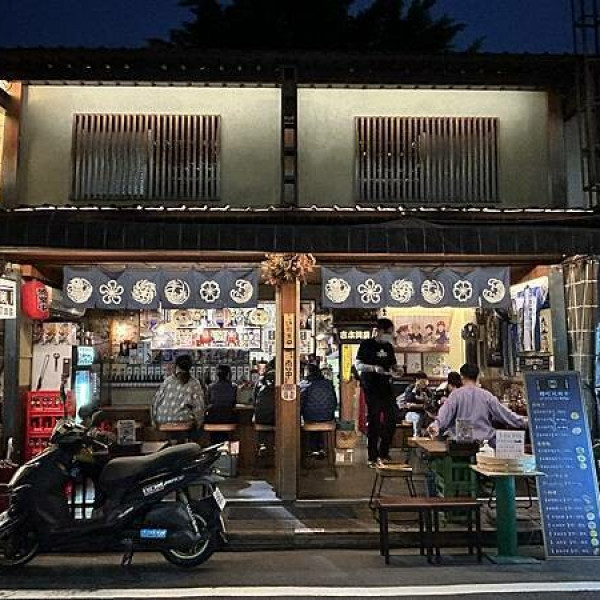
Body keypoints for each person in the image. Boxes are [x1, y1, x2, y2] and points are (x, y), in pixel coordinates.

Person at [427, 363, 526, 446]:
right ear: (477, 377)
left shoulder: (455, 395)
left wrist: (436, 425)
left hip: (462, 443)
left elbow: (444, 415)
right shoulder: (487, 395)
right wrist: (524, 422)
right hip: (485, 443)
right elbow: (505, 414)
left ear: (462, 376)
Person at [355, 318, 399, 468]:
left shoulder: (388, 347)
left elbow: (393, 365)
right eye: (388, 332)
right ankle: (372, 456)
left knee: (392, 418)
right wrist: (373, 368)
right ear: (379, 331)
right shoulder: (366, 345)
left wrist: (397, 370)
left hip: (386, 387)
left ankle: (384, 452)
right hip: (371, 387)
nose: (390, 335)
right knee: (374, 421)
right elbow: (358, 365)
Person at [152, 354, 205, 433]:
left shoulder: (167, 381)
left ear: (176, 366)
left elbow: (155, 402)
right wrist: (199, 424)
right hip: (182, 420)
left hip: (162, 420)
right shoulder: (194, 383)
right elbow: (199, 407)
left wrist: (154, 422)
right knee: (195, 429)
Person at [300, 363, 337, 457]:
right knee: (318, 416)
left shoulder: (304, 384)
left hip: (310, 418)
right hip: (328, 416)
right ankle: (321, 447)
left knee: (309, 418)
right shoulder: (328, 383)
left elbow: (301, 403)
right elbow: (334, 401)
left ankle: (311, 449)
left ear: (307, 372)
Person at [205, 365, 238, 443]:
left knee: (215, 436)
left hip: (213, 420)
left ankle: (214, 445)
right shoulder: (234, 387)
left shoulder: (211, 387)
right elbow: (234, 402)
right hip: (229, 419)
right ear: (228, 374)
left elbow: (207, 402)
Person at [401, 372, 433, 436]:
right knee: (417, 417)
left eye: (425, 381)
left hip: (424, 413)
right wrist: (415, 389)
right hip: (410, 414)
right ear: (417, 380)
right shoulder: (410, 388)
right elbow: (408, 402)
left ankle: (427, 436)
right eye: (422, 381)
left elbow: (430, 404)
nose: (423, 384)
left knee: (430, 417)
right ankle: (416, 436)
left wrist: (425, 400)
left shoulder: (427, 390)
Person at [254, 359, 276, 452]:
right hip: (277, 420)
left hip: (261, 419)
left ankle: (262, 444)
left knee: (261, 417)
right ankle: (276, 445)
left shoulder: (260, 384)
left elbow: (254, 400)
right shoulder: (282, 383)